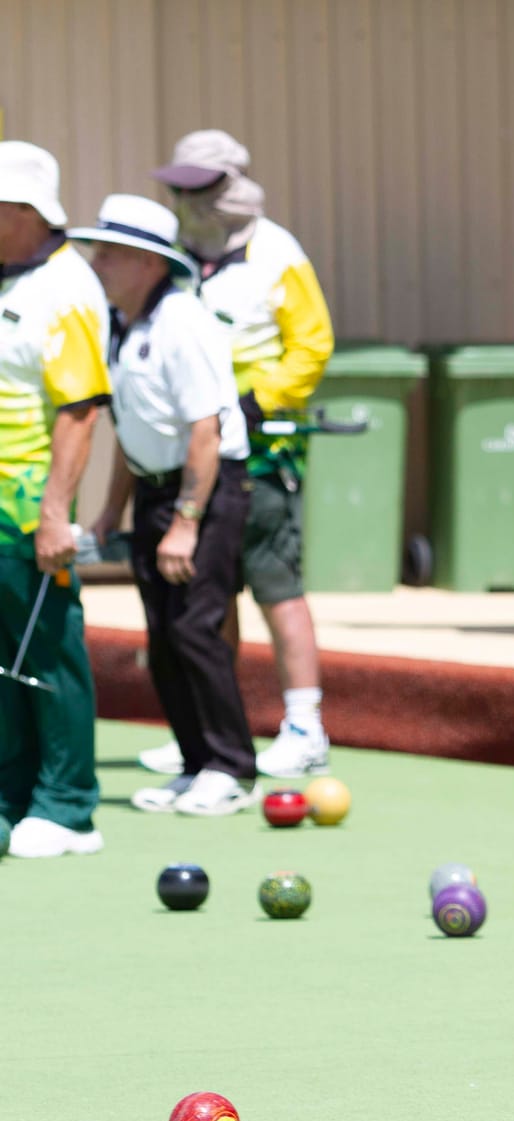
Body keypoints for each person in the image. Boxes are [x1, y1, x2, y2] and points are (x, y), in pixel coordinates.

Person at [140, 130, 335, 779]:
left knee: (276, 582)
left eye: (196, 187)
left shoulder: (276, 252)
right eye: (177, 186)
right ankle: (208, 724)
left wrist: (257, 400)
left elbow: (312, 345)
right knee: (206, 590)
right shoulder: (171, 251)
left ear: (228, 187)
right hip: (192, 445)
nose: (181, 198)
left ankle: (304, 724)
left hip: (261, 446)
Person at [75, 195, 257, 815]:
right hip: (158, 489)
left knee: (195, 628)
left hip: (205, 490)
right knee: (163, 634)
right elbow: (135, 433)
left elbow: (204, 429)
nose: (98, 262)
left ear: (150, 263)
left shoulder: (183, 321)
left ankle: (231, 767)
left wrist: (185, 523)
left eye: (112, 253)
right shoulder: (123, 324)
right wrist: (109, 512)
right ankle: (195, 762)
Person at [0, 142, 110, 859]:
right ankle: (13, 795)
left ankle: (69, 805)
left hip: (27, 504)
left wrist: (54, 513)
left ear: (31, 212)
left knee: (48, 648)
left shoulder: (66, 288)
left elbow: (80, 410)